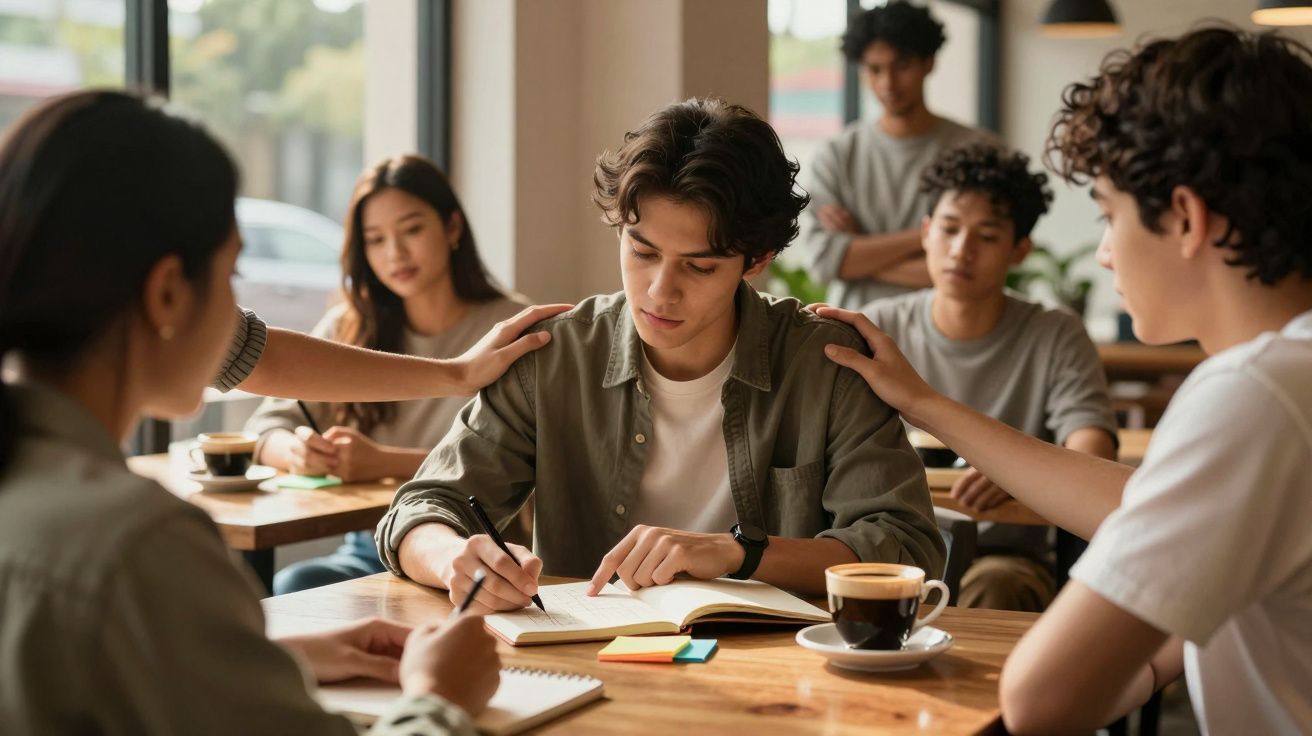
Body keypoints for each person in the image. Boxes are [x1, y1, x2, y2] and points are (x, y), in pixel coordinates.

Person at [817, 26, 1312, 734]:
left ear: (1186, 217)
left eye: (1109, 214)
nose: (1105, 253)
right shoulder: (1293, 373)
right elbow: (1140, 504)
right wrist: (924, 403)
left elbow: (1039, 699)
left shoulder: (1253, 396)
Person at [0, 90, 501, 735]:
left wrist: (272, 658)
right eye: (232, 273)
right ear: (167, 293)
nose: (239, 318)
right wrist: (442, 699)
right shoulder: (142, 546)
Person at [377, 98, 945, 614]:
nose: (659, 291)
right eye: (642, 251)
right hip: (592, 657)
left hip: (785, 670)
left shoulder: (826, 364)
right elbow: (420, 509)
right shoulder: (553, 356)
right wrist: (452, 556)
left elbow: (906, 546)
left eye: (699, 266)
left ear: (757, 259)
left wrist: (738, 554)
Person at [248, 154, 531, 595]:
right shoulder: (349, 328)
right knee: (296, 585)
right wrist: (297, 451)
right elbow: (266, 429)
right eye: (375, 240)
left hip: (480, 550)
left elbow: (531, 471)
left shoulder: (512, 331)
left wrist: (382, 462)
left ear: (453, 228)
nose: (395, 253)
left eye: (412, 230)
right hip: (374, 546)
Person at [863, 143, 1117, 612]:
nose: (962, 250)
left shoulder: (1055, 334)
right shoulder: (877, 328)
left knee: (996, 585)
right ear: (925, 232)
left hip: (1005, 556)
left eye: (987, 235)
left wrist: (1019, 471)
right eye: (949, 228)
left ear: (1020, 250)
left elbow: (1093, 450)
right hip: (890, 550)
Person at [795, 0, 995, 309]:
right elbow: (823, 262)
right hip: (854, 333)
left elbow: (983, 266)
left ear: (928, 63)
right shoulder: (836, 155)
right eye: (875, 69)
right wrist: (932, 238)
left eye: (901, 66)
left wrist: (860, 248)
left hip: (951, 334)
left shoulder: (979, 151)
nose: (887, 82)